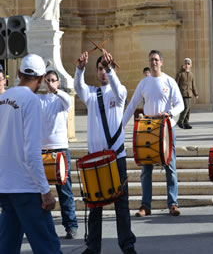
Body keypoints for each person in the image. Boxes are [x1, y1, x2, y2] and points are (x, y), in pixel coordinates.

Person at [75, 49, 136, 254]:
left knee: (121, 204)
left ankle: (127, 244)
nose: (102, 72)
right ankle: (93, 247)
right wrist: (79, 69)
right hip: (96, 159)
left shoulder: (120, 92)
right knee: (94, 205)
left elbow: (118, 91)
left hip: (116, 157)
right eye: (99, 69)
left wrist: (111, 70)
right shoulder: (91, 94)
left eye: (105, 68)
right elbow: (78, 87)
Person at [0, 54, 61, 253]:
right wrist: (45, 191)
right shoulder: (32, 102)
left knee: (7, 245)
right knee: (48, 246)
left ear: (18, 73)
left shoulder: (2, 99)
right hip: (26, 186)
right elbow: (32, 152)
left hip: (5, 187)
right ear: (42, 79)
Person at [122, 50, 184, 218]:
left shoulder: (169, 81)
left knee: (170, 167)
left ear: (162, 62)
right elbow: (132, 104)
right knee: (146, 169)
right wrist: (120, 126)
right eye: (151, 60)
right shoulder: (144, 83)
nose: (154, 62)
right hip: (148, 130)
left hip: (166, 129)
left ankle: (173, 203)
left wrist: (170, 113)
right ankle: (145, 205)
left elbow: (180, 104)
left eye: (156, 59)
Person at [39, 70, 78, 239]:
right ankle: (42, 228)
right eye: (47, 80)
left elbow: (68, 100)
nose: (50, 82)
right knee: (40, 192)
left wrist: (55, 90)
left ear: (58, 81)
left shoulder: (62, 99)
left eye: (53, 80)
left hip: (60, 149)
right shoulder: (39, 100)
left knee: (65, 191)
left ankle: (71, 225)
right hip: (43, 151)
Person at [175, 58, 199, 129]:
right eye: (186, 63)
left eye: (188, 64)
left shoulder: (191, 74)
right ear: (184, 64)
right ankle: (180, 121)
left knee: (189, 109)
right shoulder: (180, 73)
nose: (187, 65)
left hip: (189, 93)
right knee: (186, 107)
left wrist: (196, 94)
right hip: (182, 93)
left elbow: (193, 85)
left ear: (190, 65)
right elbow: (175, 84)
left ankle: (186, 123)